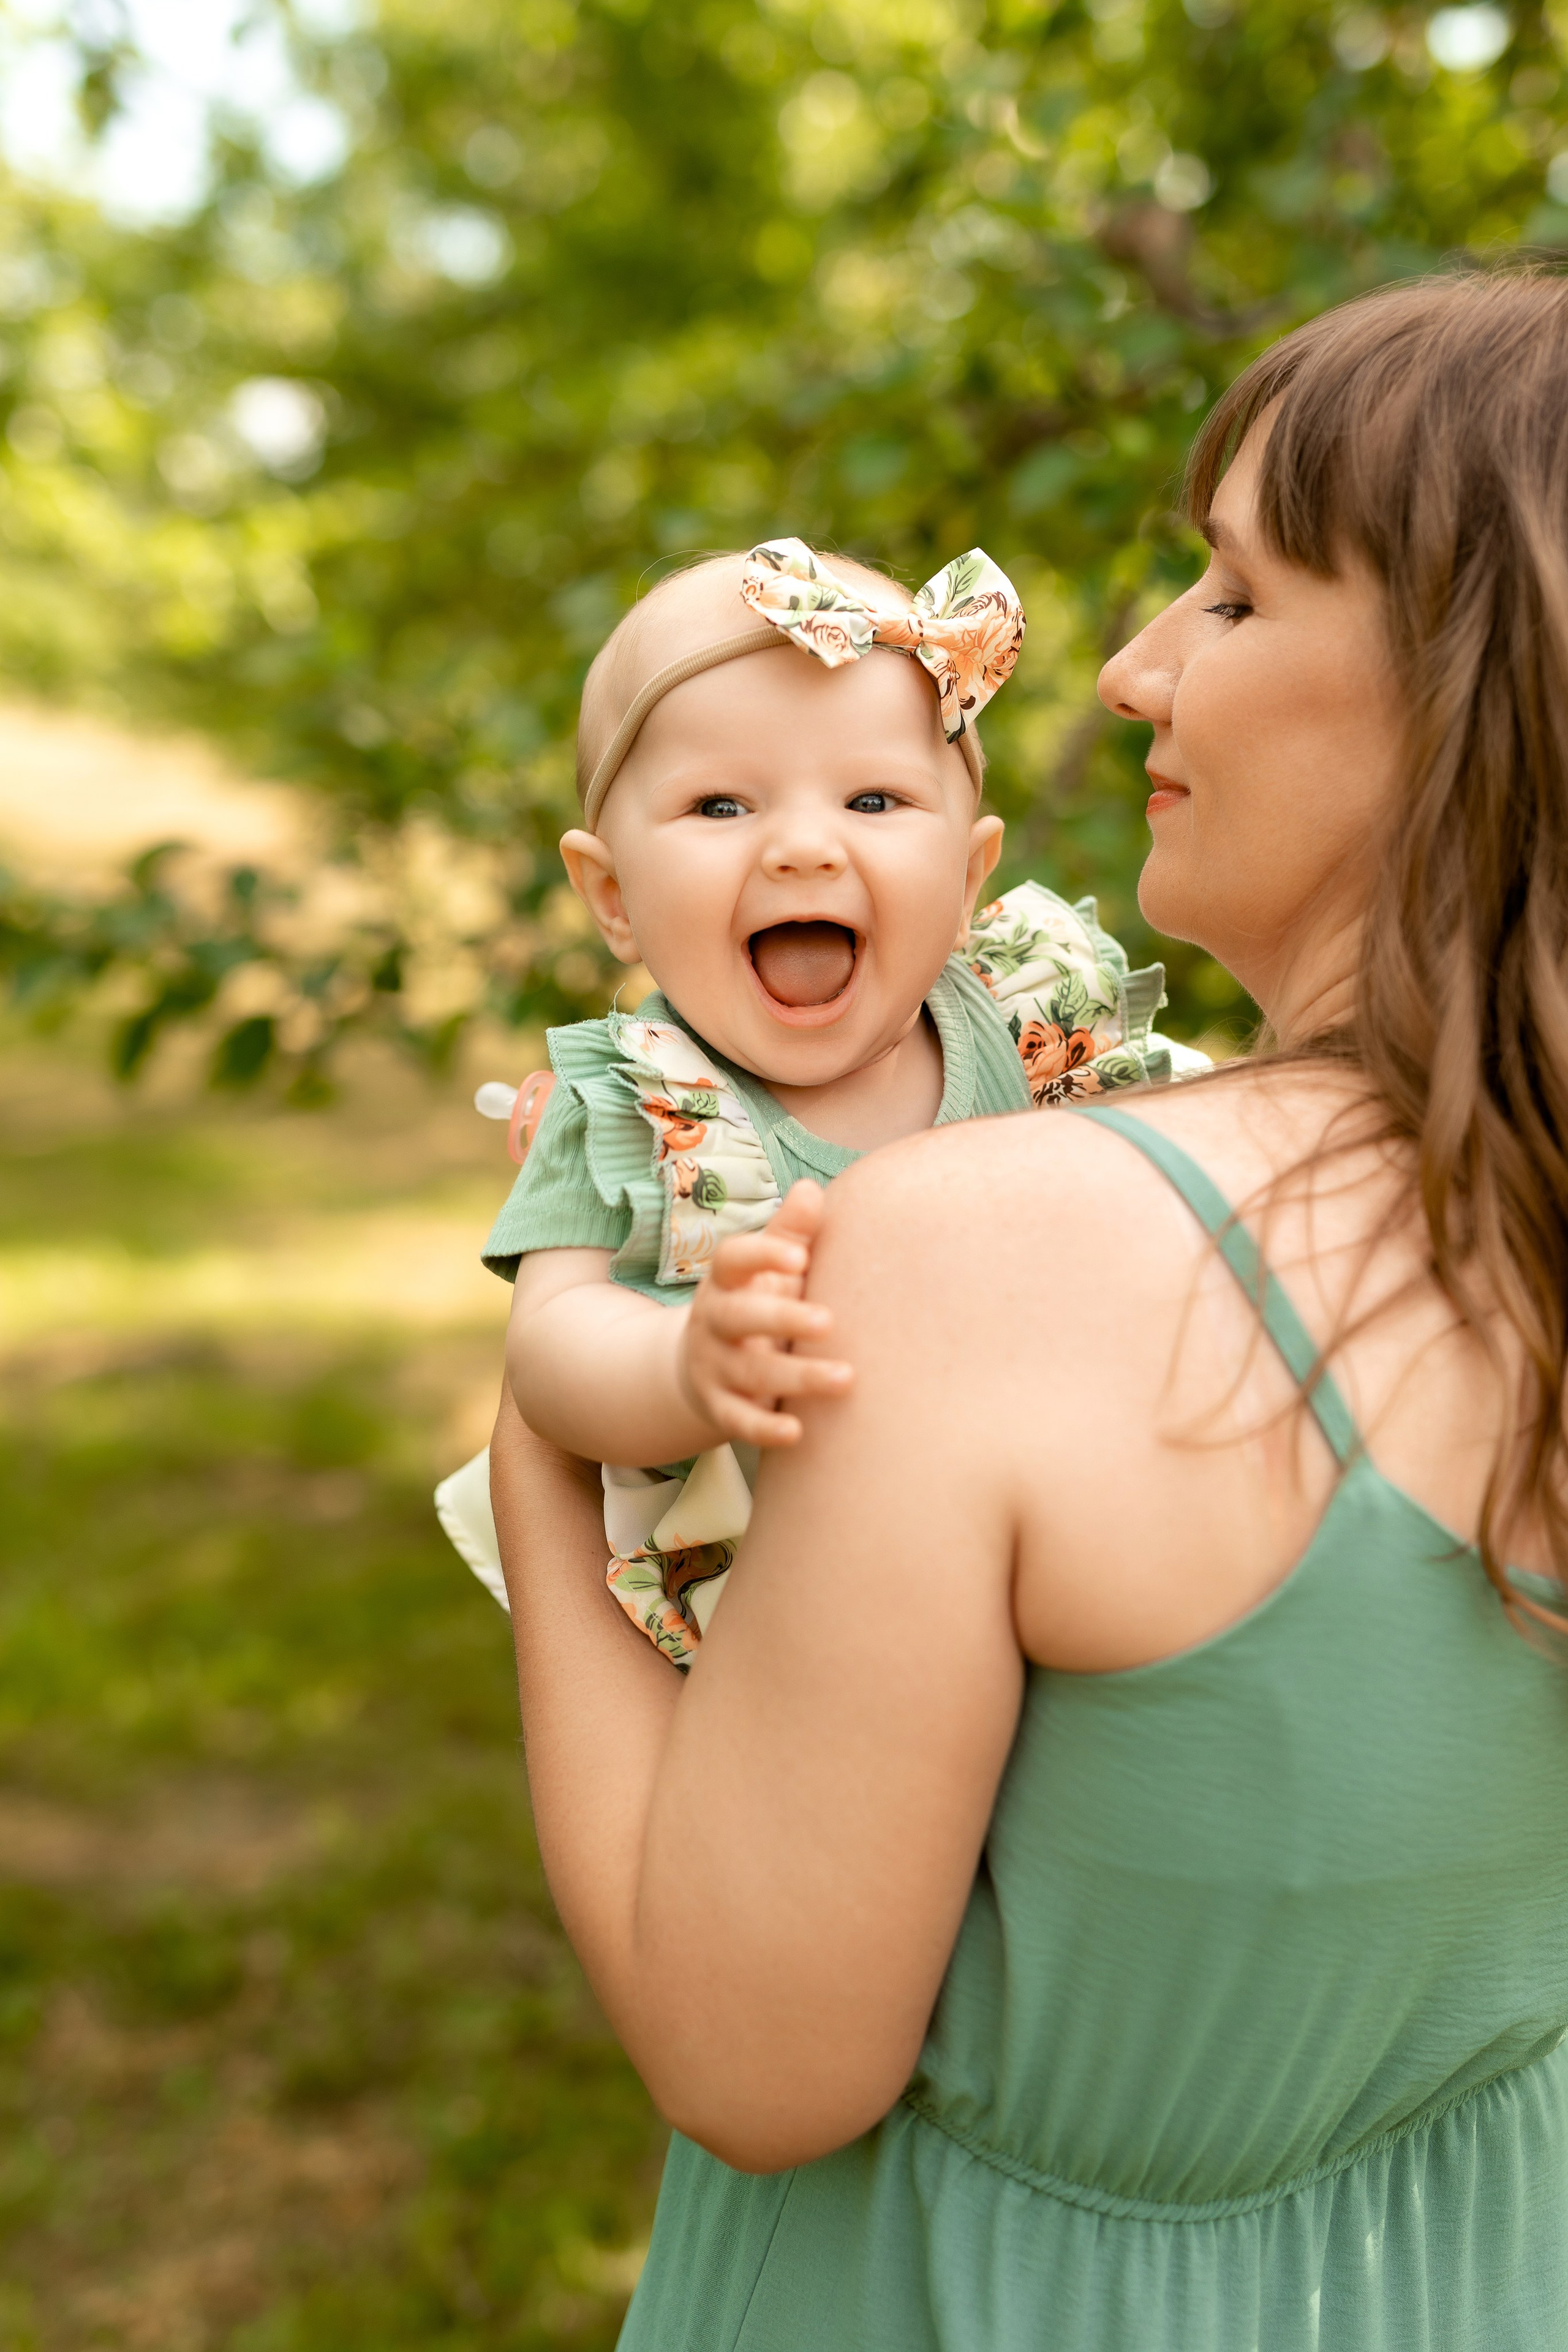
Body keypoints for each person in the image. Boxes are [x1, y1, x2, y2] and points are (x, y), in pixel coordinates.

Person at [491, 269, 1568, 2350]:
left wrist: (545, 1458)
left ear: (1479, 677)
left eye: (1237, 600)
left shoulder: (986, 1253)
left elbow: (757, 2063)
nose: (1133, 671)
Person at [473, 537, 1196, 1664]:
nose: (806, 847)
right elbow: (552, 1347)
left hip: (1072, 1554)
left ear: (967, 879)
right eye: (720, 805)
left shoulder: (1029, 1023)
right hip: (797, 1631)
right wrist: (682, 1369)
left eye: (872, 798)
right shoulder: (642, 1101)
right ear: (612, 897)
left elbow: (1196, 1151)